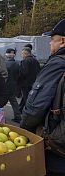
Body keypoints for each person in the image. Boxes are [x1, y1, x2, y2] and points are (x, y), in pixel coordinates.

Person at [20, 19, 65, 175]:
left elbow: (36, 106)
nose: (50, 45)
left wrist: (23, 130)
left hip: (59, 147)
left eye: (52, 40)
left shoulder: (57, 63)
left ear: (63, 41)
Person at [18, 47, 40, 113]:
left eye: (22, 53)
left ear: (25, 54)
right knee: (26, 97)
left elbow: (24, 72)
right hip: (34, 82)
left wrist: (19, 79)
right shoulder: (35, 60)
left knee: (26, 98)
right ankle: (20, 109)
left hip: (26, 83)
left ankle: (28, 112)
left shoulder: (25, 61)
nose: (21, 55)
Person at [5, 48, 22, 123]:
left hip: (5, 86)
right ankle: (18, 116)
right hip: (13, 85)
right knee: (14, 102)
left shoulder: (5, 64)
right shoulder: (17, 64)